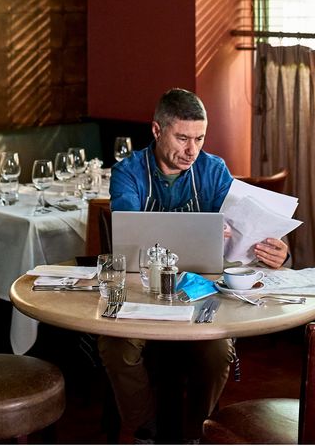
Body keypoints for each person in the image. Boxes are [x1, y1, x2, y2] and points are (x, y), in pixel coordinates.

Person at [104, 88, 290, 443]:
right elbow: (127, 228)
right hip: (141, 291)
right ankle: (148, 428)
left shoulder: (213, 170)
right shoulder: (128, 172)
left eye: (200, 138)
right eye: (183, 138)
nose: (192, 150)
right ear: (157, 131)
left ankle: (194, 433)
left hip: (202, 294)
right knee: (116, 347)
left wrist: (280, 252)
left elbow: (247, 231)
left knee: (219, 350)